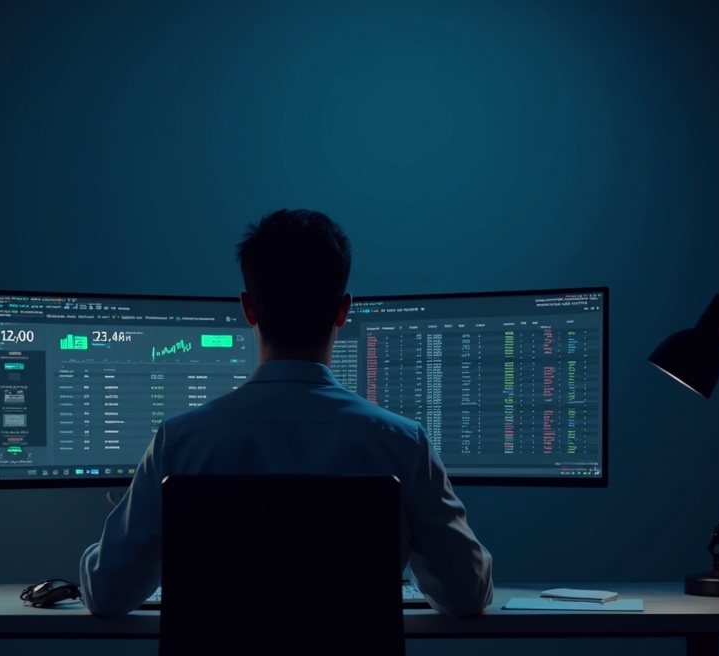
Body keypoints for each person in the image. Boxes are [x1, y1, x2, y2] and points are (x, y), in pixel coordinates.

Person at [79, 209, 493, 617]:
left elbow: (107, 595)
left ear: (248, 309)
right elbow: (467, 596)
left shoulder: (180, 443)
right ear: (344, 310)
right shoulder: (403, 443)